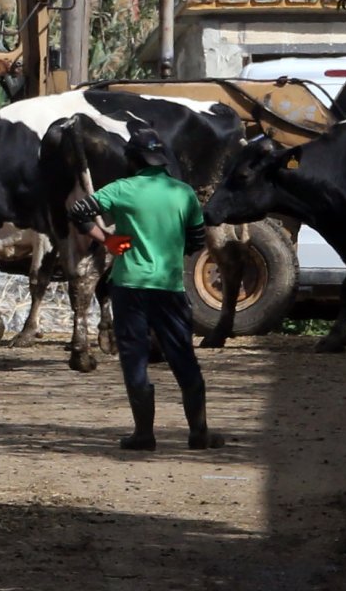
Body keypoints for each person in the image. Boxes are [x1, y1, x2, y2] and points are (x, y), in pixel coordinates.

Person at [68, 127, 225, 451]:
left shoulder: (122, 189)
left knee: (135, 359)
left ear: (134, 159)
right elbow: (196, 240)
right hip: (169, 287)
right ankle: (199, 432)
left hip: (129, 287)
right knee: (184, 359)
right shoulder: (183, 193)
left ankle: (144, 434)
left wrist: (108, 240)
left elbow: (78, 211)